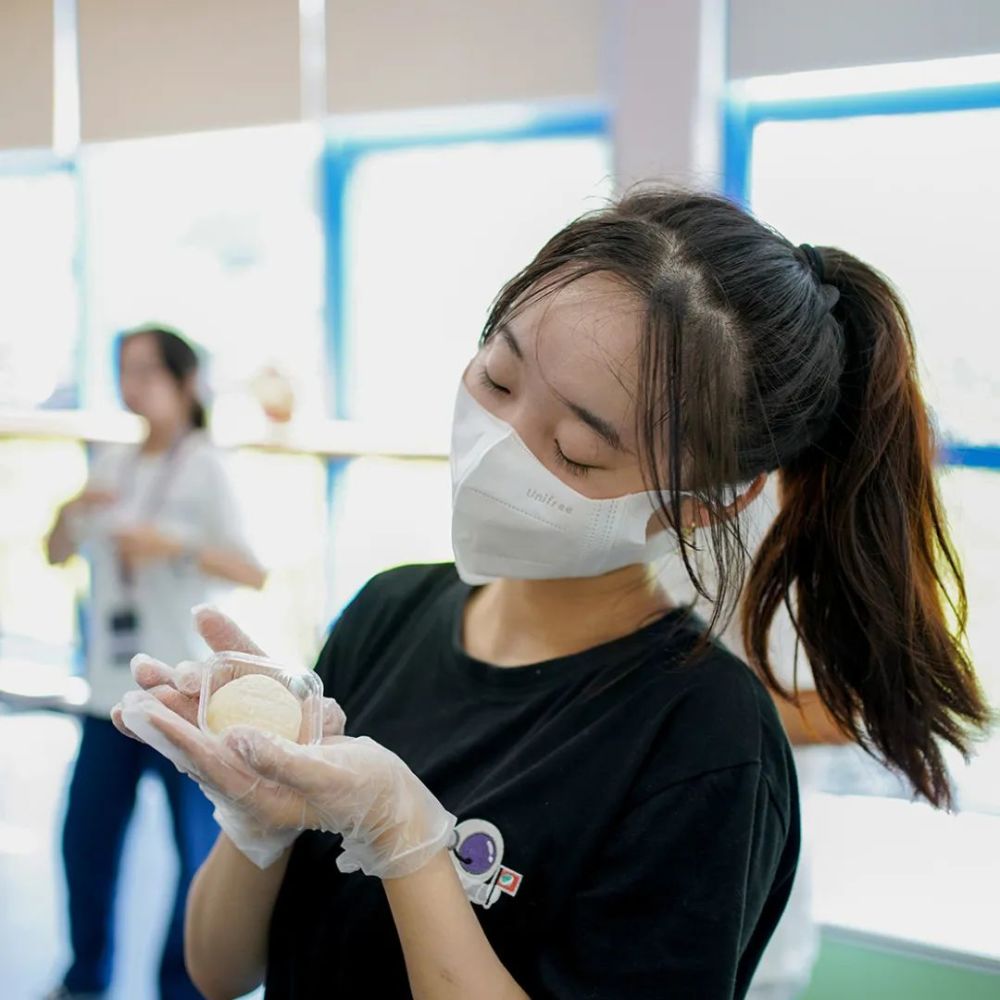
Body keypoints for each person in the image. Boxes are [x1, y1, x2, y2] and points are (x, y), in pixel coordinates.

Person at [114, 191, 989, 999]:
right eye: (496, 379)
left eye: (574, 449)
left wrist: (408, 840)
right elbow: (218, 970)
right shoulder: (388, 613)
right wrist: (255, 824)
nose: (499, 445)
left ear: (705, 503)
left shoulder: (705, 739)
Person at [45, 325, 266, 1000]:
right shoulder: (111, 464)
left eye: (147, 371)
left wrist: (173, 544)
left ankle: (183, 987)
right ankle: (85, 978)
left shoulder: (205, 464)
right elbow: (56, 551)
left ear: (183, 381)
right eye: (125, 370)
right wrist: (73, 507)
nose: (132, 384)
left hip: (182, 696)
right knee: (84, 846)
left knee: (195, 856)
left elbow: (251, 571)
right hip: (108, 693)